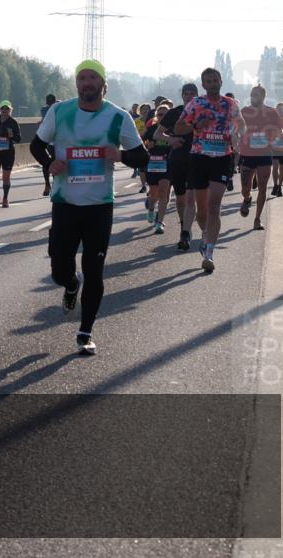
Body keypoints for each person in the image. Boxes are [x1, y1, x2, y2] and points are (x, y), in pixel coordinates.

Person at [30, 59, 147, 355]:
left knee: (94, 270)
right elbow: (35, 145)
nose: (87, 83)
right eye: (82, 78)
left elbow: (142, 157)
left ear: (103, 85)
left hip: (99, 206)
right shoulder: (60, 112)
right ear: (77, 84)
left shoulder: (118, 117)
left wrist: (118, 155)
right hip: (65, 204)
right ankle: (71, 285)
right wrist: (50, 162)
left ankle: (85, 332)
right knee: (60, 269)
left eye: (93, 78)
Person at [174, 68, 243, 273]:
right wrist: (196, 124)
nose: (213, 84)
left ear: (221, 81)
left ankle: (210, 253)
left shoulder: (231, 105)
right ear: (203, 85)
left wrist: (236, 136)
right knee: (202, 212)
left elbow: (241, 125)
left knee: (214, 206)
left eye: (216, 80)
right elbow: (178, 128)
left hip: (222, 159)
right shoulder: (196, 104)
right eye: (209, 81)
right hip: (199, 157)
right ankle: (205, 236)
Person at [158, 83, 199, 250]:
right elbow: (157, 134)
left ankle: (186, 233)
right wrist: (172, 140)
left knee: (190, 197)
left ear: (197, 95)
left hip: (197, 160)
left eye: (192, 93)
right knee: (180, 198)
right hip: (178, 160)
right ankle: (184, 226)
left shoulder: (202, 112)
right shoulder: (174, 113)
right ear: (182, 96)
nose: (189, 96)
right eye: (186, 93)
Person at [238, 86, 280, 230]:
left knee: (262, 187)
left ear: (263, 96)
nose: (252, 97)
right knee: (245, 187)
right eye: (251, 94)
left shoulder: (272, 112)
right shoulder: (244, 111)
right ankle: (247, 198)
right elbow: (237, 129)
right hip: (247, 154)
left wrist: (270, 137)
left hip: (264, 154)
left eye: (255, 95)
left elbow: (278, 131)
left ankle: (257, 219)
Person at [143, 104, 173, 234]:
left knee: (163, 192)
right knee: (154, 194)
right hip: (153, 164)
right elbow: (140, 142)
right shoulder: (152, 129)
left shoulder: (173, 130)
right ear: (157, 116)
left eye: (166, 114)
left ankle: (159, 222)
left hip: (167, 165)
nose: (163, 117)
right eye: (160, 114)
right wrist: (148, 145)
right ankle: (150, 209)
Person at [0, 100, 22, 207]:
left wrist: (12, 135)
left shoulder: (13, 122)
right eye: (2, 108)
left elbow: (18, 139)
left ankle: (5, 198)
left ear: (10, 110)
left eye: (7, 108)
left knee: (6, 177)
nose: (4, 110)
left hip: (8, 153)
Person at [40, 94, 57, 195]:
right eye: (49, 104)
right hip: (48, 140)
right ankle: (47, 184)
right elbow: (45, 121)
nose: (50, 106)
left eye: (52, 104)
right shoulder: (44, 110)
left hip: (59, 140)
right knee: (45, 162)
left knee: (56, 161)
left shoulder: (61, 107)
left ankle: (55, 184)